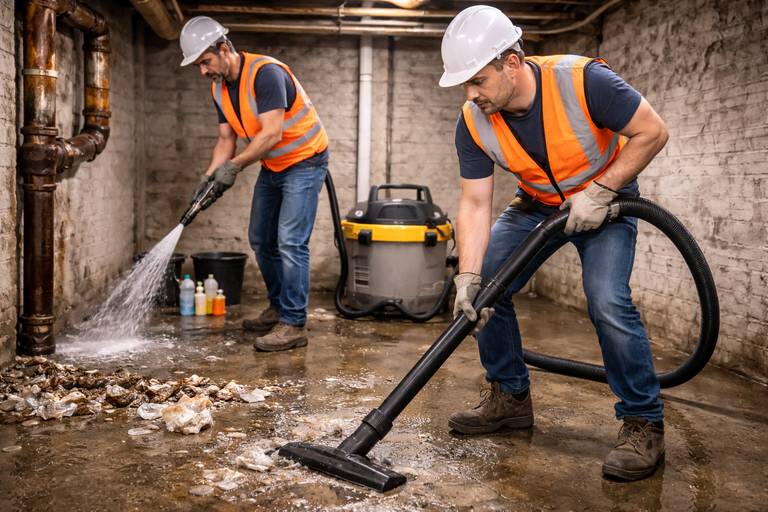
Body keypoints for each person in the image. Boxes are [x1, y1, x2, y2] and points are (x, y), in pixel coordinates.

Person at [439, 6, 669, 481]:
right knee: (486, 289)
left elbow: (652, 132)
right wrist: (467, 275)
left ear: (511, 62)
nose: (471, 94)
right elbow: (476, 204)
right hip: (537, 205)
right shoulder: (473, 119)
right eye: (464, 84)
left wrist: (603, 189)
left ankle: (643, 421)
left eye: (478, 80)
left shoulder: (583, 81)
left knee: (607, 300)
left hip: (607, 203)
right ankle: (510, 398)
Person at [180, 17, 329, 352]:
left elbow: (271, 134)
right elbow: (225, 141)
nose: (203, 71)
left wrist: (232, 169)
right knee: (261, 238)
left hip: (305, 160)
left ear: (223, 49)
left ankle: (293, 323)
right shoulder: (218, 88)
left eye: (205, 62)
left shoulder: (266, 74)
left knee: (290, 240)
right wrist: (208, 178)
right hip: (273, 164)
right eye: (198, 66)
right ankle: (278, 308)